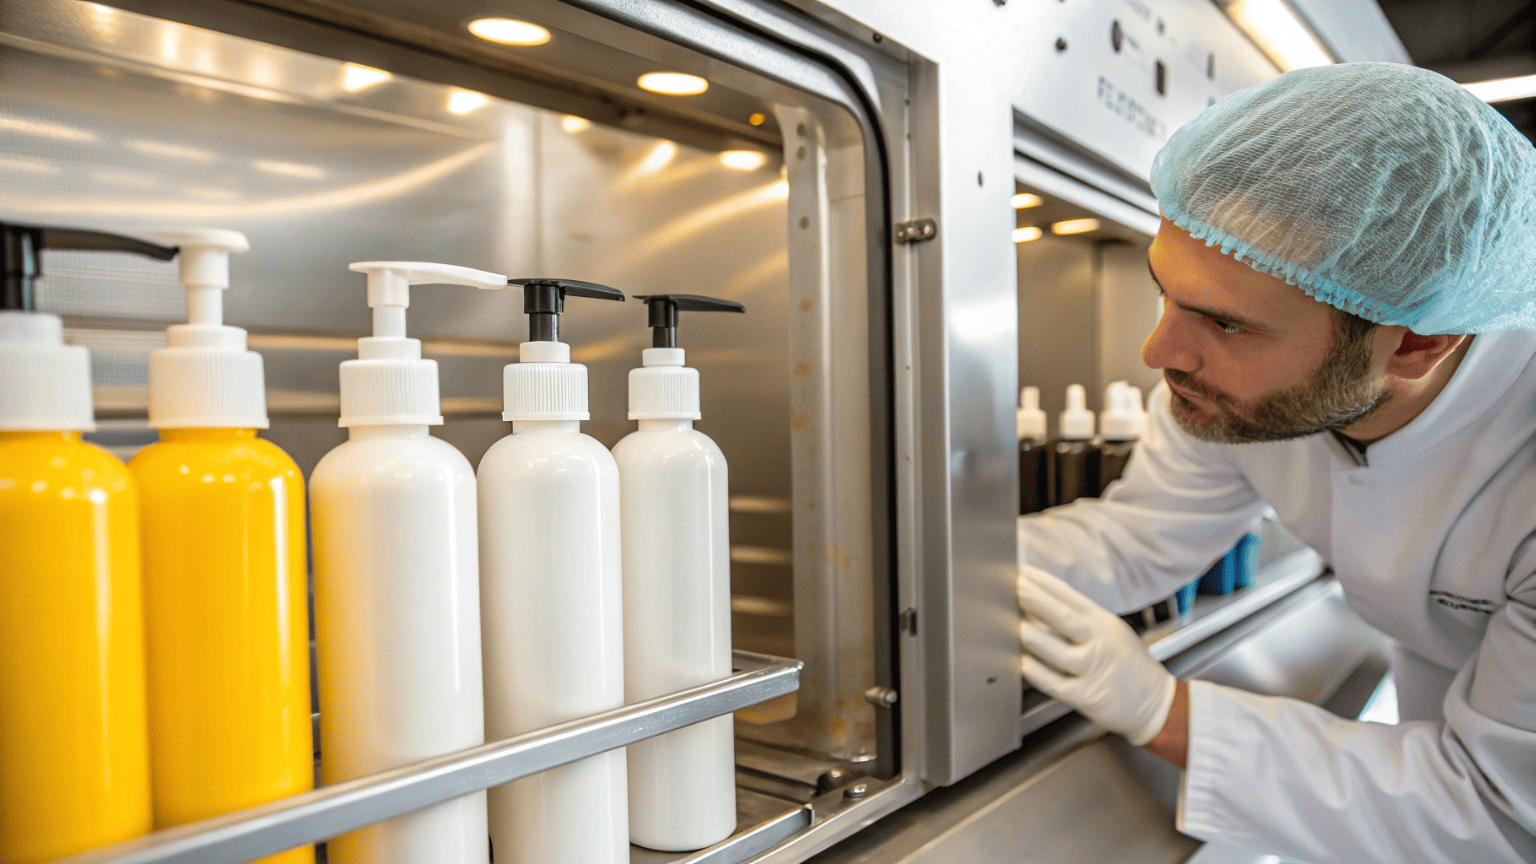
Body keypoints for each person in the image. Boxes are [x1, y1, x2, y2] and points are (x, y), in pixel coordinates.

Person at [1016, 62, 1536, 864]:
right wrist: (955, 574)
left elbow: (1494, 812)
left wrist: (1161, 708)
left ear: (1415, 345)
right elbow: (1141, 537)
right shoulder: (1231, 397)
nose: (1159, 353)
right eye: (1166, 291)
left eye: (1225, 325)